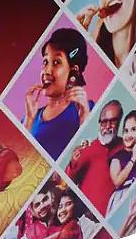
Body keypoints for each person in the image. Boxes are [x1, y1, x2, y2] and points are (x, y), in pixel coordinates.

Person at [22, 29, 93, 160]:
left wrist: (84, 118)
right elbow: (20, 157)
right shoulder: (29, 118)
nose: (46, 71)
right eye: (45, 62)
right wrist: (29, 119)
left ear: (73, 71)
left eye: (56, 62)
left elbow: (90, 154)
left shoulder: (87, 109)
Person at [65, 98, 123, 214]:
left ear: (120, 121)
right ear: (99, 123)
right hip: (85, 218)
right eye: (104, 122)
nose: (108, 126)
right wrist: (73, 162)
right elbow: (67, 184)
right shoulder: (86, 150)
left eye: (113, 121)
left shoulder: (125, 147)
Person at [11, 180, 83, 239]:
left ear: (52, 199)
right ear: (32, 212)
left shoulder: (66, 220)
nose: (42, 206)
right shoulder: (29, 234)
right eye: (37, 205)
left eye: (45, 200)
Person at [105, 110, 136, 217]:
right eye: (125, 131)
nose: (128, 135)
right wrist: (134, 157)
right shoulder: (118, 156)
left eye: (133, 130)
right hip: (122, 197)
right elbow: (117, 181)